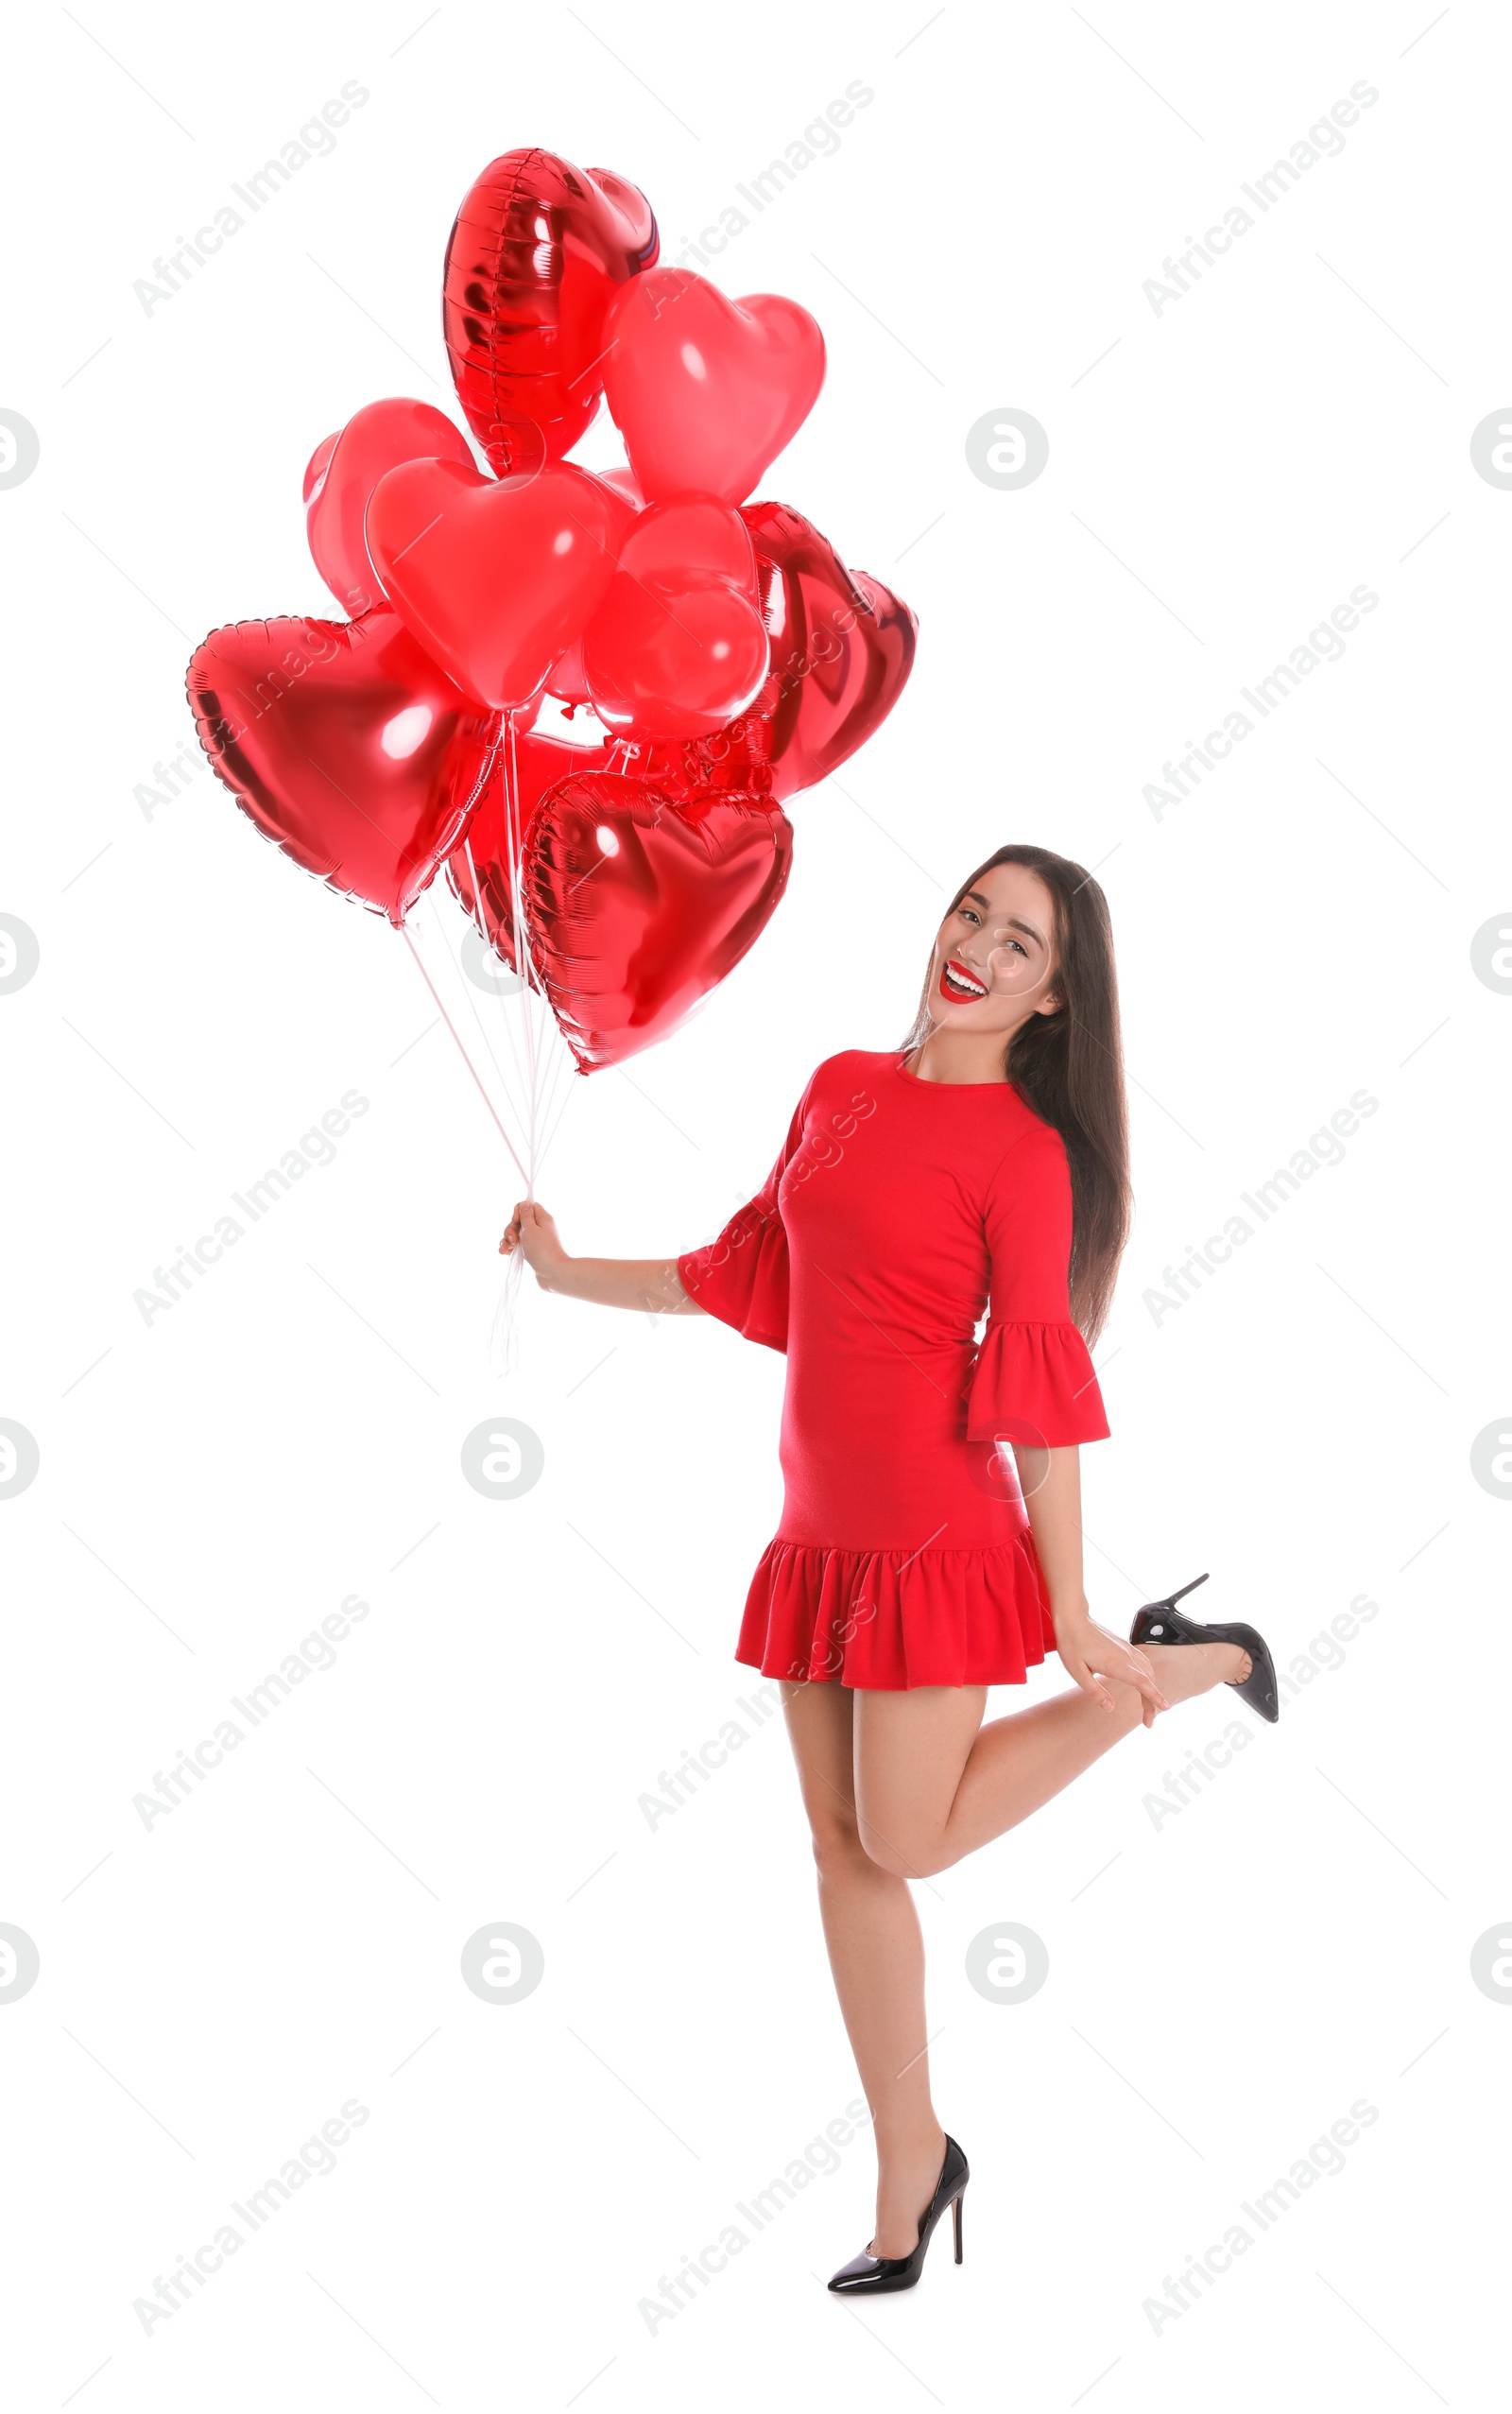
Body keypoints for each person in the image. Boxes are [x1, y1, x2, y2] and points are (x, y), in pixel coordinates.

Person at [500, 842, 1277, 2297]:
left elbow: (1040, 1397)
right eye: (972, 910)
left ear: (1054, 1003)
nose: (978, 943)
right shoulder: (841, 1085)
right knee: (846, 1851)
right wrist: (563, 1268)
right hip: (816, 1531)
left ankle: (1179, 1662)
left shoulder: (1025, 1157)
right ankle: (911, 2159)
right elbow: (745, 1276)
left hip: (933, 1531)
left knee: (907, 1841)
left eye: (1023, 943)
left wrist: (1068, 1614)